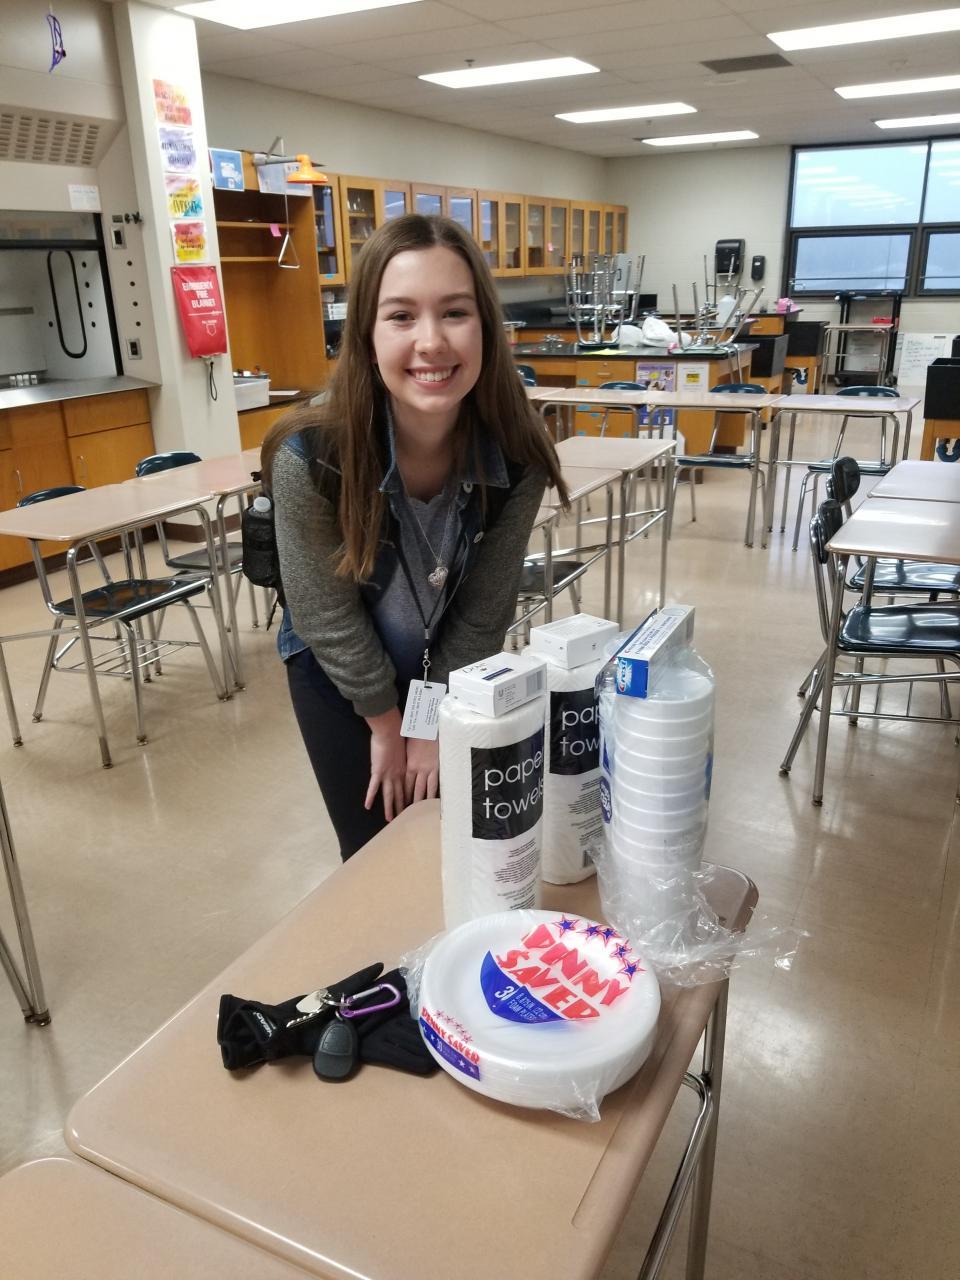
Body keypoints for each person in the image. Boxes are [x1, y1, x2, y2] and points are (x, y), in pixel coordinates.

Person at [262, 214, 568, 861]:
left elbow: (483, 611)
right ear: (366, 336)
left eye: (455, 312)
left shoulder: (518, 456)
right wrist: (384, 722)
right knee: (371, 852)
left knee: (455, 841)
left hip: (451, 664)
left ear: (486, 326)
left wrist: (430, 724)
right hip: (340, 672)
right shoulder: (311, 456)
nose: (431, 342)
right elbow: (325, 616)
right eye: (401, 316)